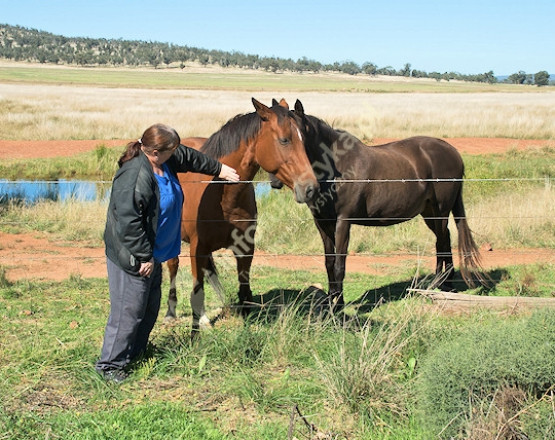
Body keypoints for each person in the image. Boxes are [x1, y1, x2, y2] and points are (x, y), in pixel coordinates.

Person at [95, 123, 239, 383]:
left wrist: (219, 169)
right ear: (155, 152)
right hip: (134, 258)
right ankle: (109, 367)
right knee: (127, 312)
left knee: (148, 309)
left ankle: (134, 354)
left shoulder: (166, 160)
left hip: (153, 254)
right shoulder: (134, 176)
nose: (177, 153)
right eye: (172, 150)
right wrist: (142, 257)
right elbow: (128, 223)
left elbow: (189, 156)